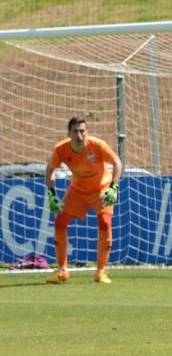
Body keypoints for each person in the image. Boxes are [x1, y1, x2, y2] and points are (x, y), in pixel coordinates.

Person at [44, 117, 123, 284]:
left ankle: (101, 272)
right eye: (75, 131)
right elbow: (50, 169)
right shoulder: (61, 149)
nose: (79, 135)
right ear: (69, 133)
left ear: (87, 132)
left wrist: (113, 187)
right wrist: (51, 194)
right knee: (60, 222)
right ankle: (62, 271)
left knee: (104, 222)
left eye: (82, 131)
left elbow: (117, 162)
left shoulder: (97, 145)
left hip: (101, 189)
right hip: (77, 190)